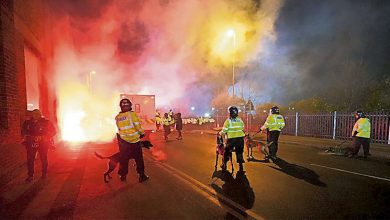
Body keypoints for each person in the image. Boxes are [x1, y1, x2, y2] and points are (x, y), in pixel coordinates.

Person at [115, 98, 149, 183]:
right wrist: (142, 133)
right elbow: (137, 126)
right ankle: (142, 176)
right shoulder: (132, 114)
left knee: (124, 160)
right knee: (139, 159)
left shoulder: (118, 117)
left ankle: (123, 175)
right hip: (134, 142)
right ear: (130, 105)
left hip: (123, 143)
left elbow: (120, 129)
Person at [21, 109, 56, 182]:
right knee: (30, 160)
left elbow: (53, 131)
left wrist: (45, 137)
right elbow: (23, 131)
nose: (35, 115)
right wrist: (27, 136)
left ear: (40, 115)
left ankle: (44, 174)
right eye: (34, 114)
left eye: (37, 114)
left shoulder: (46, 122)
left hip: (43, 143)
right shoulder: (27, 123)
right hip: (31, 143)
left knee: (43, 159)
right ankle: (30, 176)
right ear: (32, 115)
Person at [221, 106, 246, 171]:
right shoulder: (240, 120)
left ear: (230, 113)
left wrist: (220, 133)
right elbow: (243, 128)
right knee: (239, 151)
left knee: (227, 151)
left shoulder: (228, 121)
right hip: (240, 139)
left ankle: (224, 164)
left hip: (232, 140)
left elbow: (224, 131)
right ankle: (240, 164)